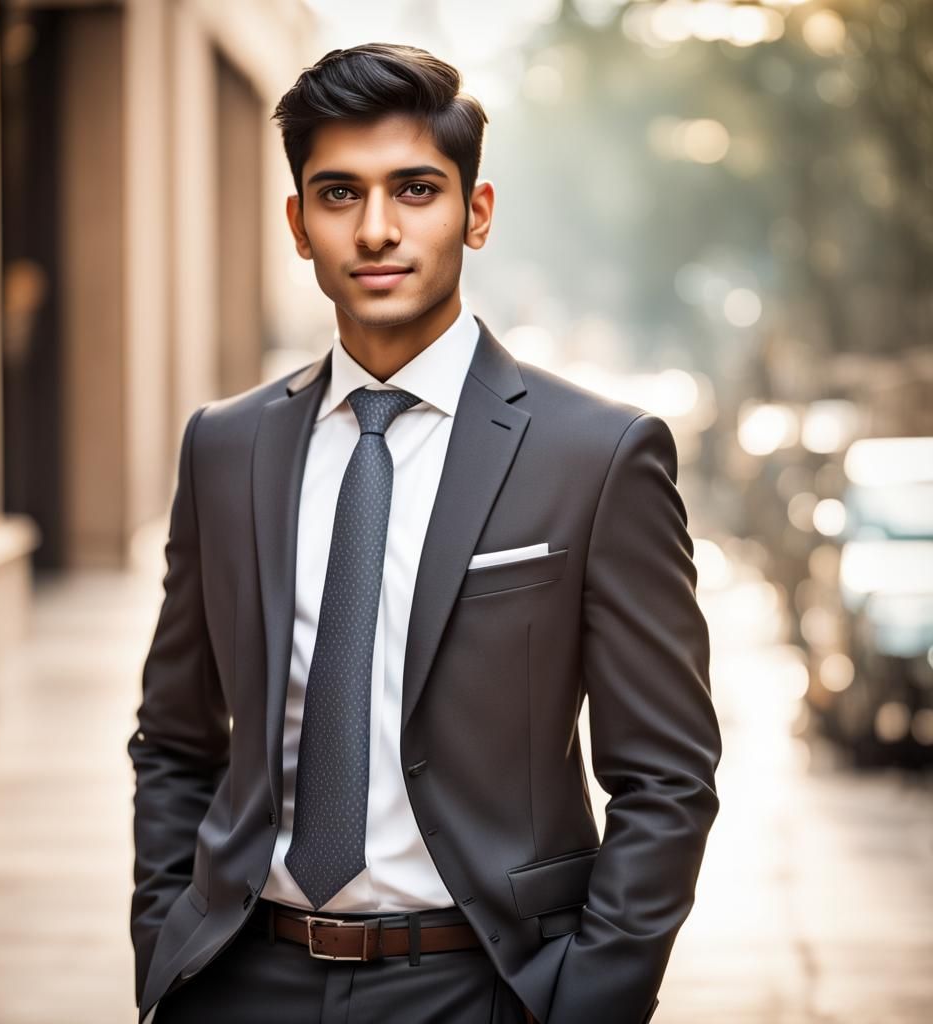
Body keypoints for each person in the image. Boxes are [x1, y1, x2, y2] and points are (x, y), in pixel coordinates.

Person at [128, 42, 722, 1024]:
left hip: (474, 983)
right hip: (239, 979)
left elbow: (665, 777)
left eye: (414, 189)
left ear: (474, 214)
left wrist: (587, 1003)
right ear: (297, 223)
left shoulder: (598, 456)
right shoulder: (224, 448)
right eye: (337, 194)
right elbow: (176, 738)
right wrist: (166, 940)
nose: (375, 230)